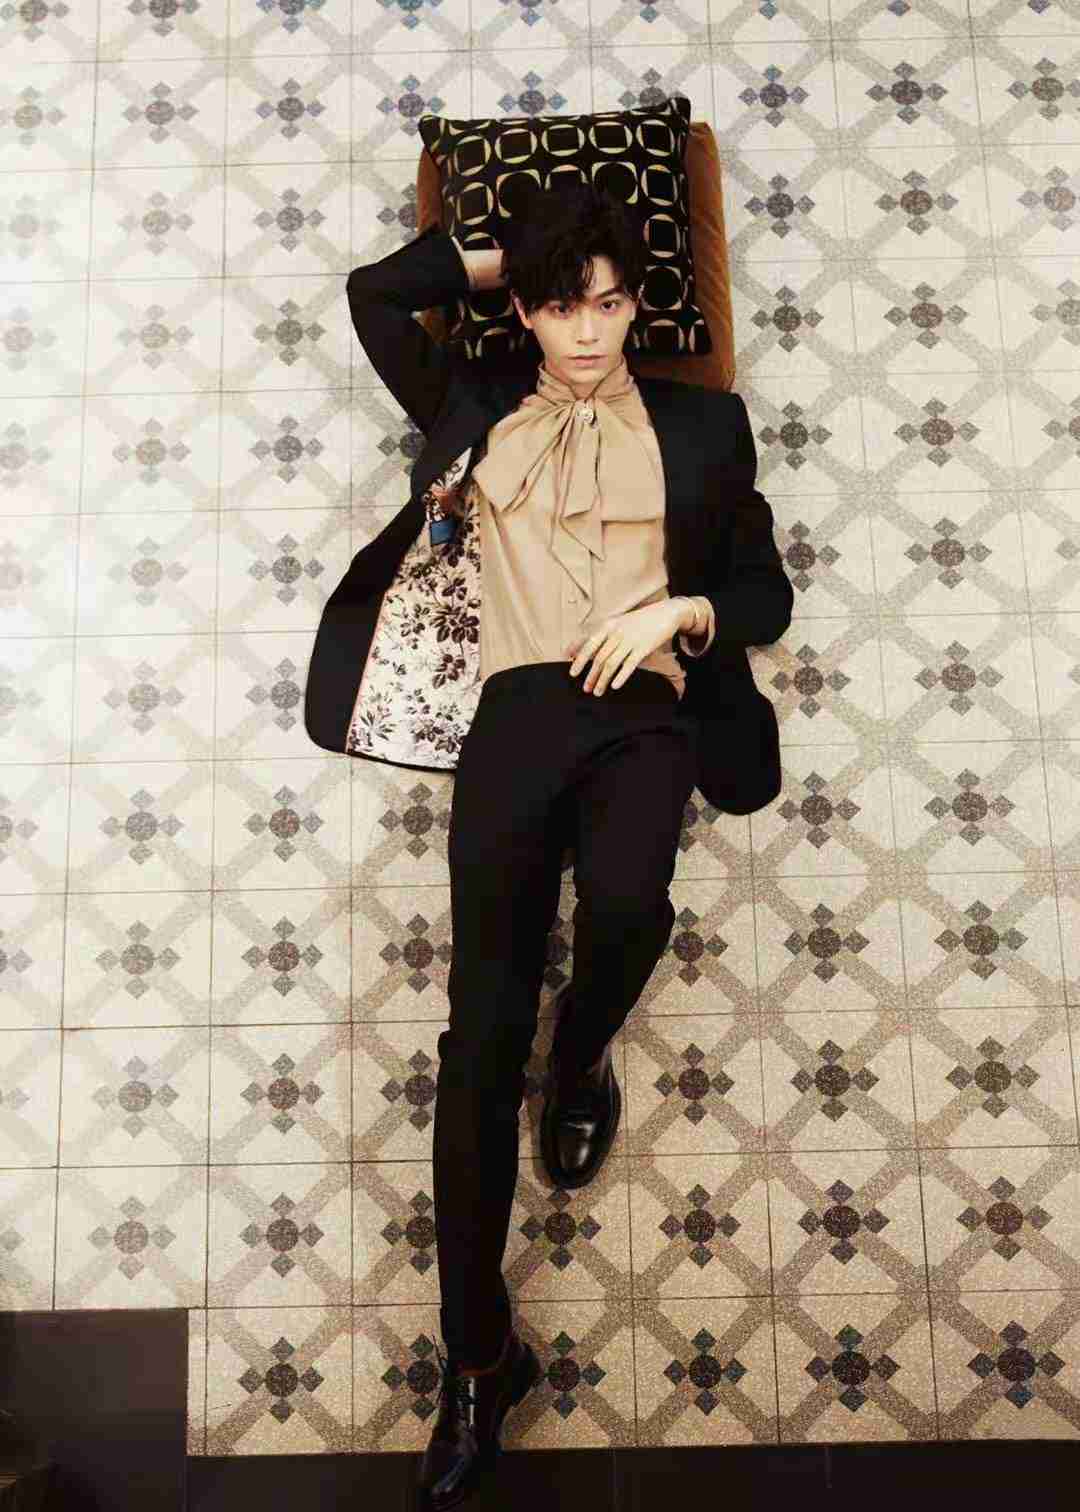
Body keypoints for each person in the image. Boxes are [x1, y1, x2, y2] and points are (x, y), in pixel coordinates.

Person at [330, 185, 789, 1511]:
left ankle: (581, 1053)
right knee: (476, 1039)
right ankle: (479, 1361)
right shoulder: (473, 402)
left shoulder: (704, 424)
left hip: (646, 708)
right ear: (524, 312)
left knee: (631, 913)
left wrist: (680, 614)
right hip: (516, 719)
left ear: (638, 304)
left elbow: (764, 591)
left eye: (609, 302)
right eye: (560, 306)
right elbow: (374, 293)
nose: (589, 334)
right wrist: (506, 259)